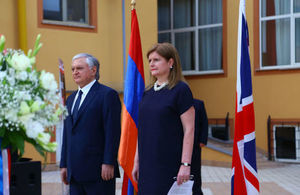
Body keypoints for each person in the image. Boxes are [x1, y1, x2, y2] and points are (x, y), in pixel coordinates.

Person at [132, 43, 195, 194]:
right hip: (147, 163)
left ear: (171, 62)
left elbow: (189, 129)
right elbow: (142, 129)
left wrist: (185, 164)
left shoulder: (181, 90)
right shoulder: (147, 92)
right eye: (149, 60)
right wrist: (136, 161)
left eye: (156, 60)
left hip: (169, 163)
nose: (151, 64)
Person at [60, 53, 121, 195]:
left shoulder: (107, 95)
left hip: (98, 172)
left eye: (79, 68)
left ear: (93, 71)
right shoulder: (71, 99)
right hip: (74, 173)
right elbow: (67, 134)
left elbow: (112, 132)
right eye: (73, 69)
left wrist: (109, 162)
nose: (75, 72)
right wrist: (64, 163)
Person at [191, 99, 208, 195]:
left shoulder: (199, 104)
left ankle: (197, 191)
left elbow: (204, 122)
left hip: (195, 144)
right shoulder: (176, 103)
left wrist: (203, 140)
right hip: (178, 145)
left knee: (195, 170)